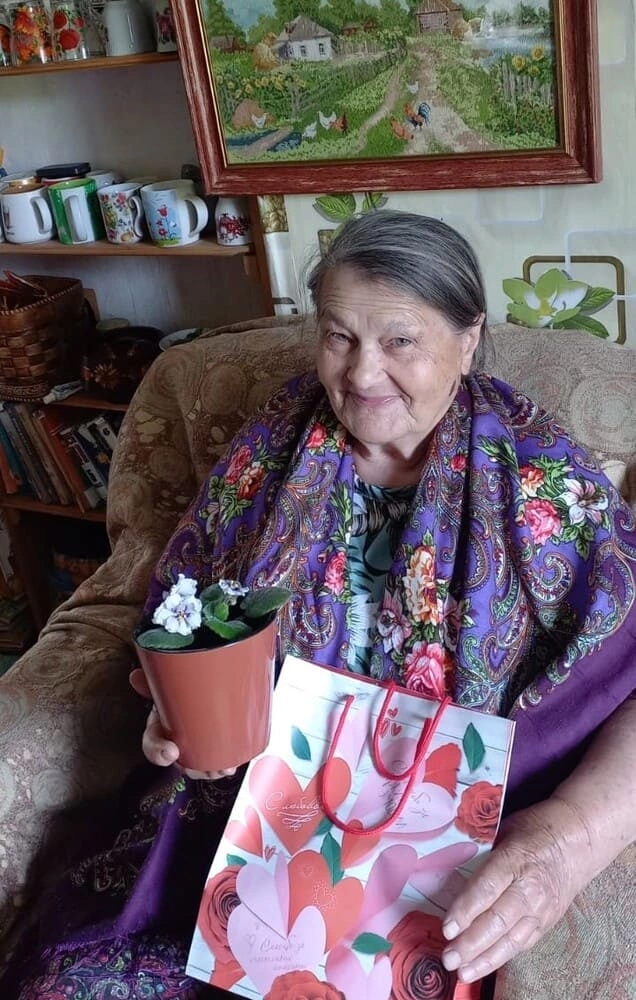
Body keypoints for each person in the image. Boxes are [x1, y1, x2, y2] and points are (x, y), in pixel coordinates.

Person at [2, 211, 635, 999]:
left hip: (426, 854)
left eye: (399, 340)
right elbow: (187, 617)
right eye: (339, 336)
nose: (363, 374)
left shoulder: (546, 484)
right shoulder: (270, 448)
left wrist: (569, 841)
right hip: (245, 827)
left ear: (468, 338)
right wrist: (175, 713)